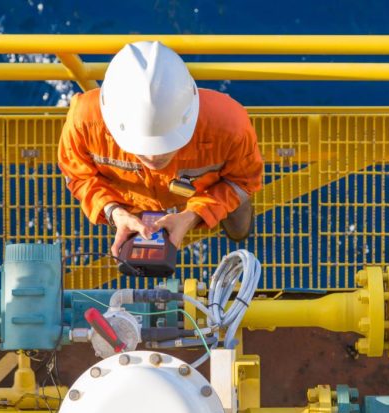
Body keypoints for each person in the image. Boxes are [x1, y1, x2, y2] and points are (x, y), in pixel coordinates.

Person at [58, 41, 263, 256]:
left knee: (239, 228)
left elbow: (242, 181)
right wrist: (115, 212)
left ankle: (239, 234)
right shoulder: (83, 122)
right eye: (141, 146)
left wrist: (192, 215)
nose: (154, 156)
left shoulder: (230, 126)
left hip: (202, 191)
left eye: (167, 144)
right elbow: (77, 176)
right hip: (132, 200)